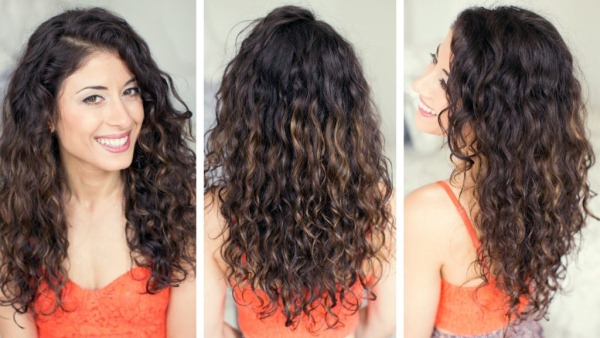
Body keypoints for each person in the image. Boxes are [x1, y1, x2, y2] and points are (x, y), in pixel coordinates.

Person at [0, 7, 196, 337]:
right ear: (46, 114)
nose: (122, 117)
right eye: (93, 98)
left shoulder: (180, 207)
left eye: (130, 91)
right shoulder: (10, 220)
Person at [204, 5, 395, 338]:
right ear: (348, 110)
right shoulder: (376, 203)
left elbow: (206, 329)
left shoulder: (216, 214)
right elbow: (384, 322)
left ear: (247, 110)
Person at [405, 6, 596, 338]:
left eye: (446, 81)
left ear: (493, 110)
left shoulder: (424, 213)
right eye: (433, 59)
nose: (419, 85)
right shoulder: (541, 183)